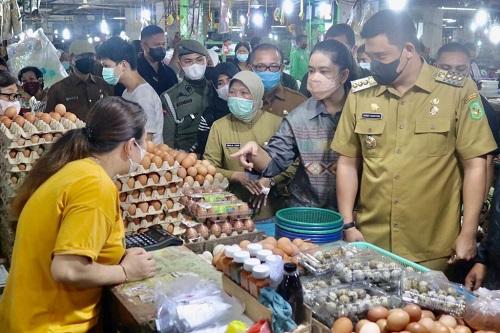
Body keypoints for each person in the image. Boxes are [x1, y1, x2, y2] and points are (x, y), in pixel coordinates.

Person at [331, 10, 497, 272]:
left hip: (435, 250)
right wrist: (348, 224)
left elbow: (475, 164)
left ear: (408, 49)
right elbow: (348, 162)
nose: (373, 63)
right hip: (372, 244)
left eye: (381, 56)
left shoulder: (458, 92)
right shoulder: (361, 94)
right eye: (369, 57)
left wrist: (467, 231)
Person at [0, 97, 156, 333]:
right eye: (145, 142)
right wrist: (125, 271)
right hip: (50, 325)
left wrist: (115, 256)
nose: (145, 150)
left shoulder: (75, 169)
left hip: (26, 317)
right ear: (129, 145)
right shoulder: (95, 186)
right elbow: (67, 269)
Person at [231, 39, 356, 210]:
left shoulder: (361, 110)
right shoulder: (299, 116)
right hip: (307, 210)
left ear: (343, 75)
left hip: (355, 213)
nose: (314, 78)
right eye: (311, 71)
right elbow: (274, 163)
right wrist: (256, 152)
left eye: (324, 71)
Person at [204, 71, 296, 219]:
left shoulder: (277, 123)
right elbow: (208, 167)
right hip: (232, 209)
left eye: (244, 93)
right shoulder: (219, 126)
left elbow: (294, 164)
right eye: (232, 93)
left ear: (257, 95)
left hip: (270, 207)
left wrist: (270, 180)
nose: (237, 98)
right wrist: (235, 175)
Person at [97, 37, 164, 144]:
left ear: (123, 65)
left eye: (107, 66)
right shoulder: (128, 91)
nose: (104, 71)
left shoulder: (143, 96)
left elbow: (146, 141)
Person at [161, 40, 216, 151]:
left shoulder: (216, 89)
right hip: (187, 160)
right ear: (180, 64)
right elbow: (168, 141)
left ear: (207, 60)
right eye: (188, 61)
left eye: (199, 60)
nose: (194, 65)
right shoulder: (170, 97)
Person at [45, 40, 112, 121]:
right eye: (83, 56)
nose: (88, 59)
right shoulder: (57, 90)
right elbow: (48, 120)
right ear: (71, 59)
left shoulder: (103, 85)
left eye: (91, 56)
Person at [300, 23, 369, 97]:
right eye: (328, 47)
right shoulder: (311, 79)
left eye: (340, 48)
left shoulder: (366, 80)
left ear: (354, 49)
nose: (332, 53)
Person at [250, 43, 305, 118]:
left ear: (281, 68)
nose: (267, 71)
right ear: (251, 69)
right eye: (260, 66)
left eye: (274, 66)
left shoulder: (298, 102)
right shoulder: (243, 101)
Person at [196, 62, 240, 155]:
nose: (226, 86)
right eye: (220, 83)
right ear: (215, 88)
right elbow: (204, 149)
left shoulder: (249, 108)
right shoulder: (208, 116)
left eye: (230, 80)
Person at [138, 25, 178, 96]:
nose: (161, 48)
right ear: (143, 46)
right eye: (157, 44)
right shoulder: (134, 72)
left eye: (163, 44)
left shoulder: (169, 73)